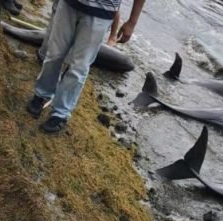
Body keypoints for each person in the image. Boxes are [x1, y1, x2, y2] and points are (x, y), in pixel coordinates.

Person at [27, 0, 145, 133]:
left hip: (101, 13)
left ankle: (60, 113)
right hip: (68, 5)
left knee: (79, 66)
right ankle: (42, 94)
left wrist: (132, 22)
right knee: (54, 54)